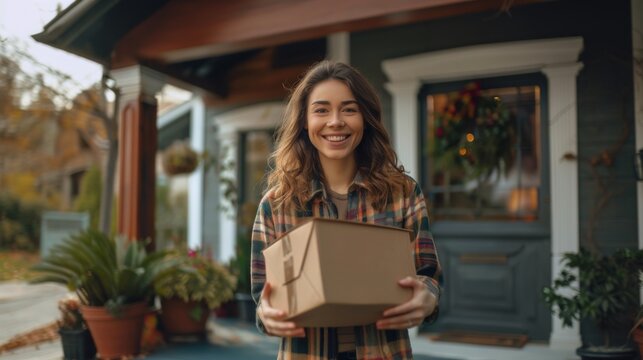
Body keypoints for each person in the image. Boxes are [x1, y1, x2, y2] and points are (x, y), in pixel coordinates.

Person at [251, 60, 441, 360]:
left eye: (349, 109)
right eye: (321, 110)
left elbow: (428, 274)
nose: (336, 121)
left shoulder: (403, 193)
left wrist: (427, 299)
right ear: (304, 121)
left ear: (365, 118)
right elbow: (263, 294)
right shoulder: (276, 204)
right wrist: (266, 313)